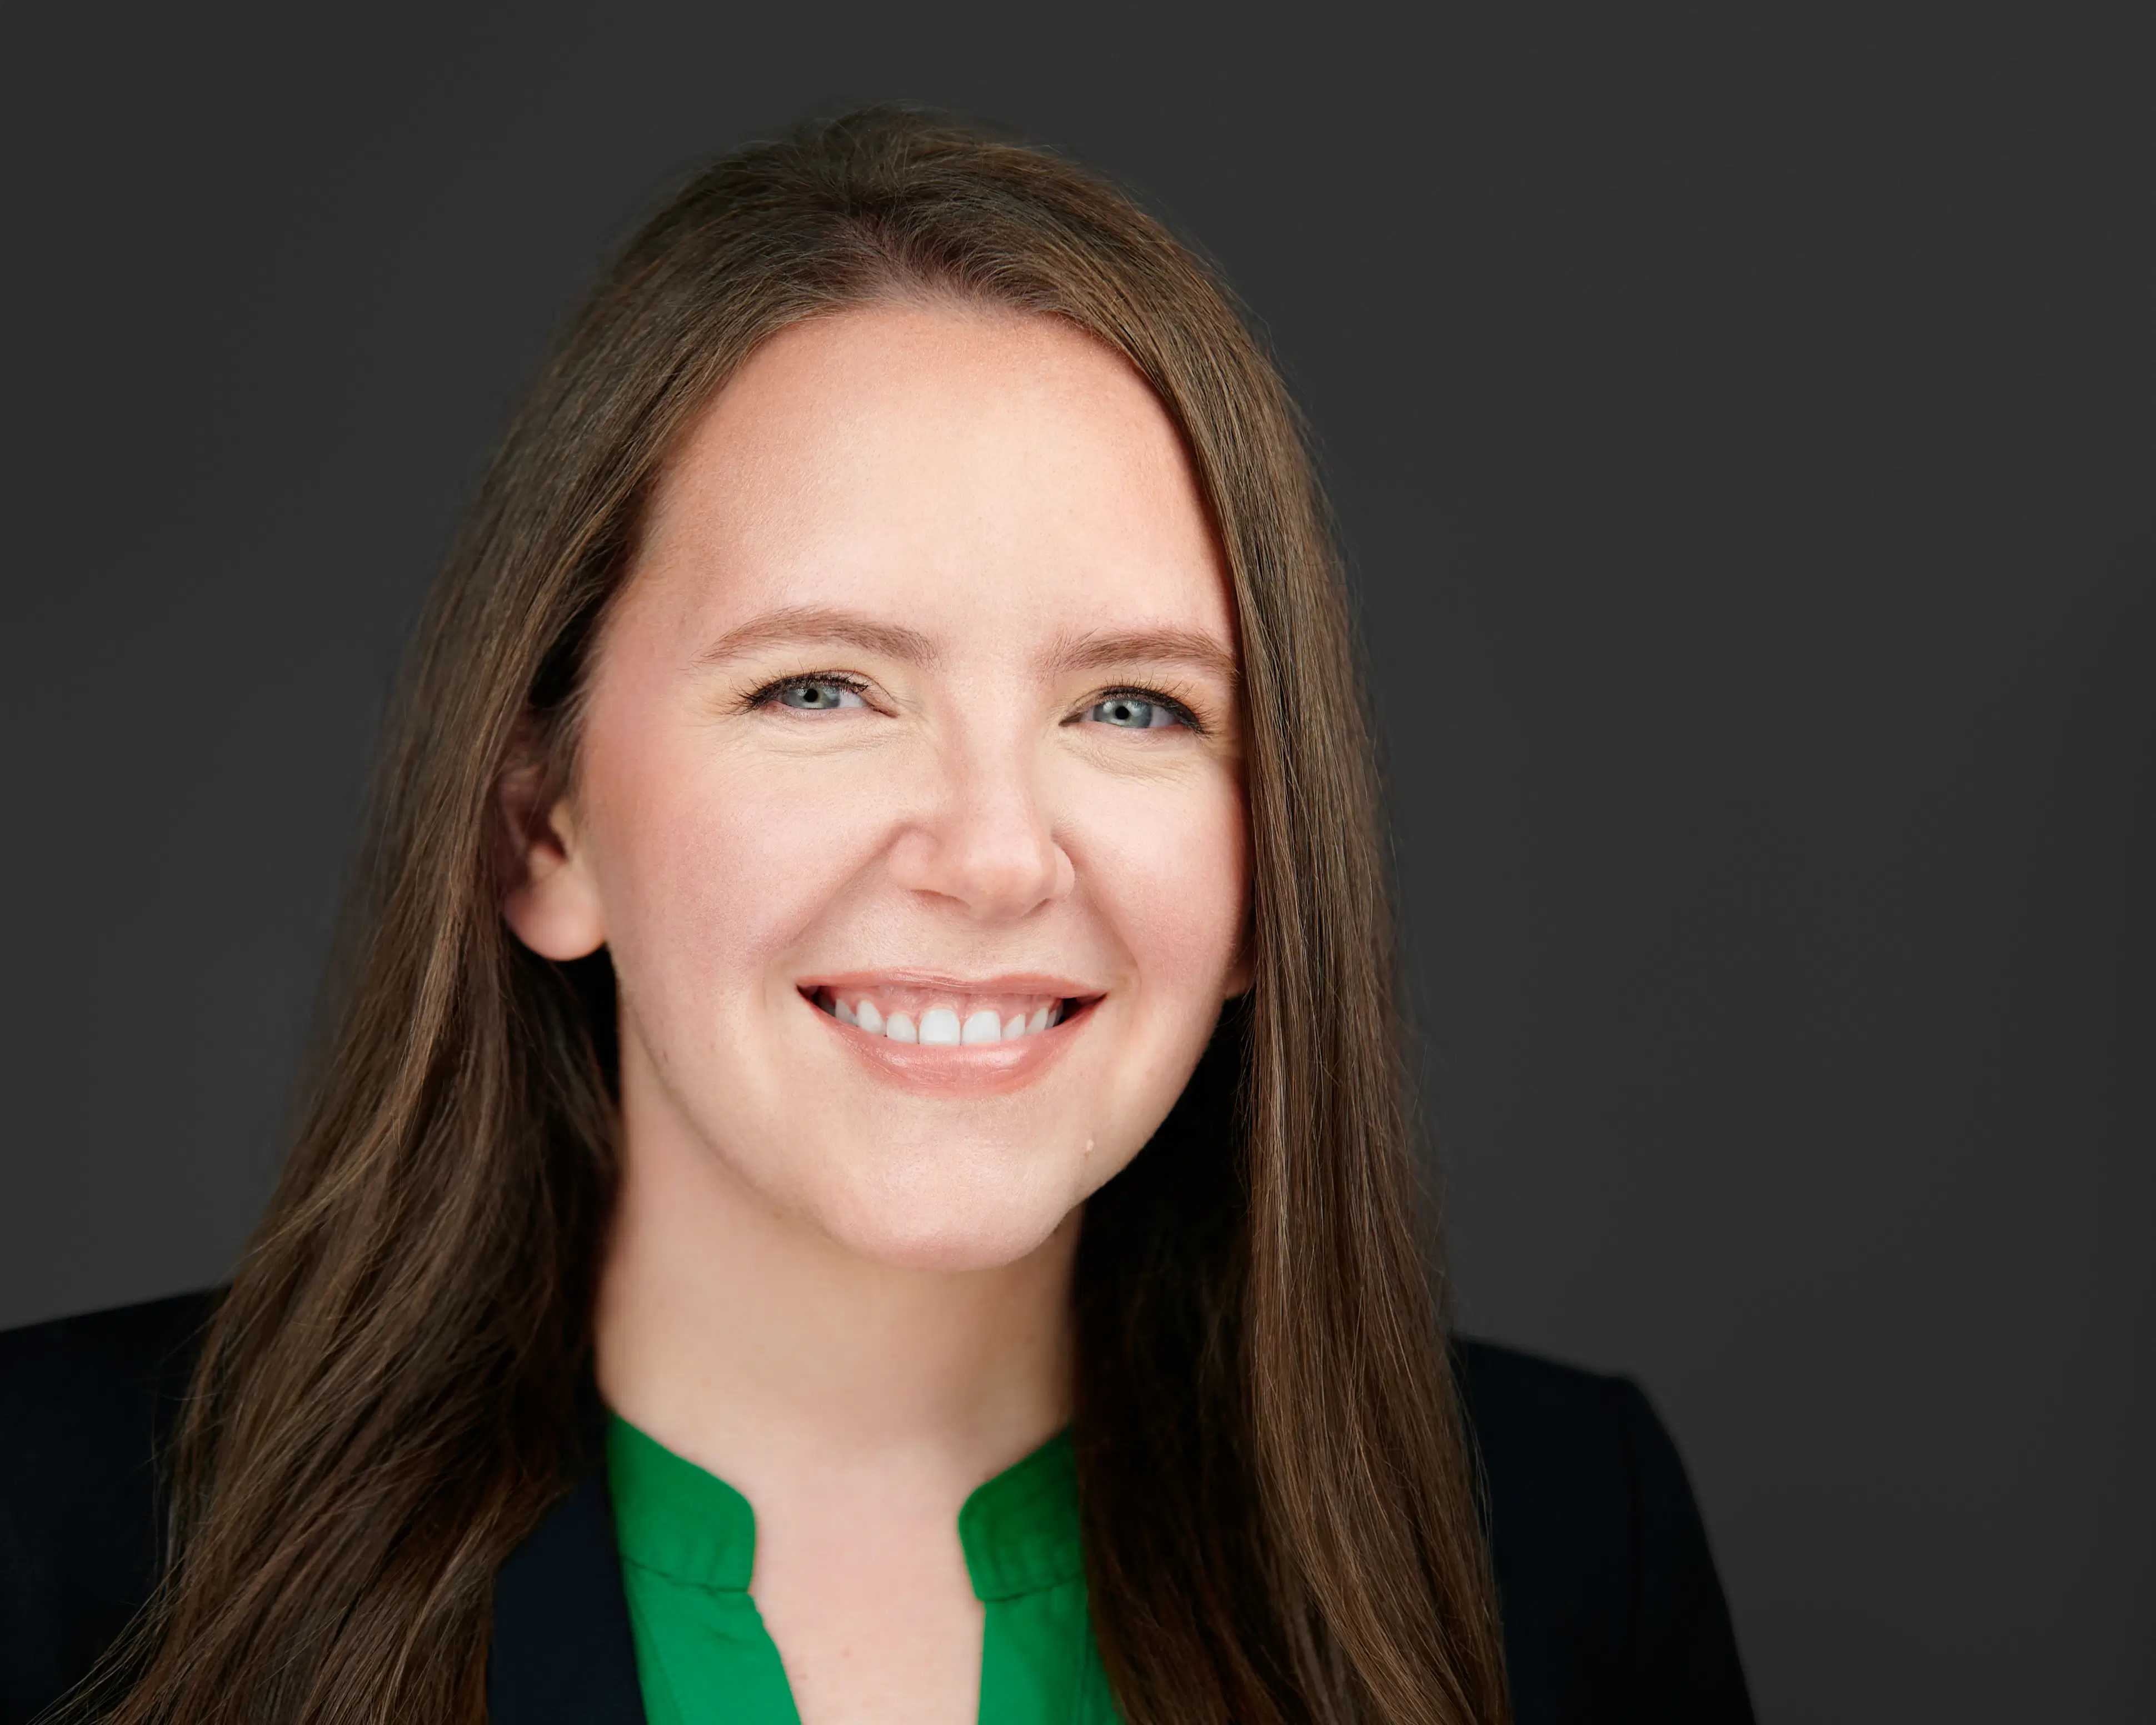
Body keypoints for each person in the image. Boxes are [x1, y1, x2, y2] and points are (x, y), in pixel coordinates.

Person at [0, 108, 1753, 1725]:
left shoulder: (1561, 1553)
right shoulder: (55, 1534)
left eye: (1134, 707)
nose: (995, 856)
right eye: (822, 689)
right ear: (543, 831)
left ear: (1261, 883)